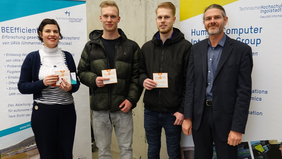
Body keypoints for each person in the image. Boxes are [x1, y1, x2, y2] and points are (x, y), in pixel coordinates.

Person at [182, 4, 253, 159]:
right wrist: (187, 117)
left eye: (216, 17)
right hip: (200, 116)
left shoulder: (241, 50)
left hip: (226, 118)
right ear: (204, 23)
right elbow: (190, 85)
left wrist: (237, 128)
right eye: (208, 18)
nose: (212, 21)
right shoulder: (196, 49)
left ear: (225, 20)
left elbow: (244, 92)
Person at [77, 1, 142, 158]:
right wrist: (94, 80)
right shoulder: (91, 46)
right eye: (106, 16)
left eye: (113, 16)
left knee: (126, 149)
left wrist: (131, 100)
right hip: (99, 110)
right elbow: (81, 71)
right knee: (104, 151)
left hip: (123, 108)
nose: (109, 19)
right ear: (100, 18)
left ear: (119, 19)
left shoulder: (131, 47)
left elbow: (137, 77)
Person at [18, 18, 80, 159]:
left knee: (66, 154)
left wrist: (70, 87)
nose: (52, 34)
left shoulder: (68, 57)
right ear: (41, 34)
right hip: (43, 113)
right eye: (48, 31)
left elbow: (76, 84)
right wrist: (42, 83)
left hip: (67, 112)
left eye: (55, 31)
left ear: (59, 34)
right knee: (47, 155)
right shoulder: (33, 58)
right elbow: (22, 86)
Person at [139, 2, 191, 159]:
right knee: (152, 150)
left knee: (174, 152)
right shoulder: (147, 48)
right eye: (160, 17)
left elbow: (189, 82)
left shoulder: (185, 47)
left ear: (173, 19)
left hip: (174, 113)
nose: (163, 20)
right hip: (150, 111)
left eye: (166, 17)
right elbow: (140, 72)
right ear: (156, 20)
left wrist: (182, 110)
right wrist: (143, 80)